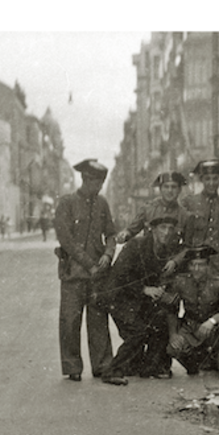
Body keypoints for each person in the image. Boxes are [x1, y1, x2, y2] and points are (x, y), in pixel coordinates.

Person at [54, 159, 117, 382]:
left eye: (100, 182)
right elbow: (67, 240)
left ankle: (102, 365)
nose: (97, 187)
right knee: (70, 321)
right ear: (84, 179)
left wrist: (108, 255)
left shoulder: (102, 204)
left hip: (98, 275)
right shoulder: (67, 203)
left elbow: (111, 234)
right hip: (73, 274)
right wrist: (89, 263)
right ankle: (72, 366)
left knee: (98, 320)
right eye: (93, 182)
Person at [98, 216, 181, 385]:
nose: (166, 232)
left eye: (170, 228)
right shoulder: (136, 245)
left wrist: (162, 289)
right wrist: (144, 289)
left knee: (161, 318)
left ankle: (148, 367)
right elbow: (118, 276)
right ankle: (111, 371)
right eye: (162, 228)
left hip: (137, 300)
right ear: (152, 229)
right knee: (138, 332)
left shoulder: (164, 250)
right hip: (118, 298)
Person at [167, 245, 219, 380]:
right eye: (193, 265)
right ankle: (193, 365)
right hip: (190, 327)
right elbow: (171, 309)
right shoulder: (180, 282)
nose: (196, 269)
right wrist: (173, 334)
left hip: (212, 329)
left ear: (208, 266)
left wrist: (212, 321)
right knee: (173, 348)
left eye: (201, 265)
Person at [182, 159, 219, 278]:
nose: (211, 183)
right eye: (207, 179)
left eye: (215, 178)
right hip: (196, 263)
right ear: (202, 180)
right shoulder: (189, 202)